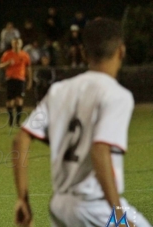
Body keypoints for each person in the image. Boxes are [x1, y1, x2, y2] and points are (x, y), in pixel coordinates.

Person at [12, 18, 152, 227]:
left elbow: (20, 140)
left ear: (85, 54)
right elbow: (99, 150)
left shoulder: (59, 90)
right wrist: (119, 216)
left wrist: (23, 199)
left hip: (61, 205)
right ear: (121, 51)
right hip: (96, 206)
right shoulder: (117, 95)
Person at [0, 38, 32, 127]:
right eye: (15, 43)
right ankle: (11, 120)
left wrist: (29, 81)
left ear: (21, 44)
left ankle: (17, 121)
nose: (16, 45)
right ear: (12, 44)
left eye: (18, 43)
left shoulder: (25, 55)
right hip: (10, 79)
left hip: (20, 80)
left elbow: (28, 68)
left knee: (19, 100)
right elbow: (0, 65)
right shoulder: (7, 54)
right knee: (10, 102)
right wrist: (8, 63)